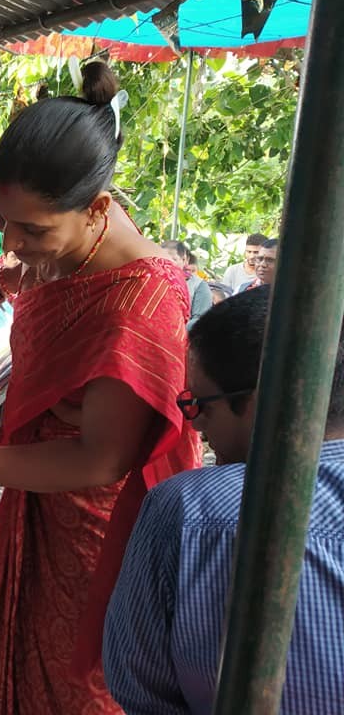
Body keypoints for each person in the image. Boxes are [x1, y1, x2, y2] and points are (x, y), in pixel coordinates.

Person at [0, 60, 202, 714]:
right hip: (37, 502)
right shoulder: (71, 252)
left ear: (98, 209)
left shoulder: (141, 302)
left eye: (32, 230)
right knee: (18, 651)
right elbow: (45, 280)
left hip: (94, 536)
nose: (13, 241)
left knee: (75, 681)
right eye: (3, 221)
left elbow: (101, 458)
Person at [104, 286, 344, 713]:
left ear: (263, 404)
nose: (195, 428)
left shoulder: (192, 510)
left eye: (200, 405)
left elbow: (142, 691)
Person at [162, 240, 212, 329]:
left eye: (173, 259)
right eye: (163, 259)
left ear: (184, 259)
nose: (167, 264)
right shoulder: (155, 280)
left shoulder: (199, 285)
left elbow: (200, 319)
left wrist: (176, 331)